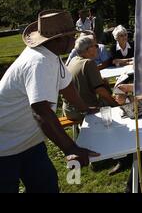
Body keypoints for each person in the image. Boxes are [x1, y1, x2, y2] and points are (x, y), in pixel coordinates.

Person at [0, 10, 99, 193]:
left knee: (46, 187)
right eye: (71, 36)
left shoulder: (51, 55)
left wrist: (86, 109)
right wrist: (71, 148)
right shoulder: (39, 62)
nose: (73, 40)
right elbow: (41, 111)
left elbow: (67, 87)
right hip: (4, 148)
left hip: (29, 142)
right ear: (59, 40)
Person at [63, 35, 120, 122]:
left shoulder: (74, 60)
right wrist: (115, 105)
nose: (97, 48)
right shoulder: (89, 63)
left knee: (104, 84)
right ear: (88, 49)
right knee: (116, 100)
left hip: (69, 110)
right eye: (96, 46)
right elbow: (100, 90)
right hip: (84, 110)